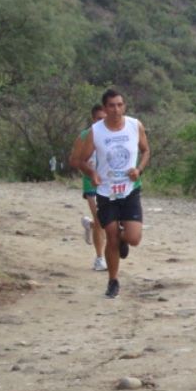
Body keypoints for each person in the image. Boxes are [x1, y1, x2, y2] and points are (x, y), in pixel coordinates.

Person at [76, 89, 150, 298]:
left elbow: (146, 150)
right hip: (106, 192)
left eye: (120, 105)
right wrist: (92, 173)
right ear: (105, 108)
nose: (116, 109)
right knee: (111, 236)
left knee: (134, 238)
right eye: (111, 105)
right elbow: (81, 160)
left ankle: (124, 240)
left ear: (124, 106)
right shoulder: (96, 131)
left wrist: (139, 169)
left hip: (129, 190)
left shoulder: (135, 125)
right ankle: (113, 281)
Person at [69, 104, 108, 272]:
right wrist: (89, 171)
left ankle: (89, 225)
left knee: (110, 221)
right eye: (99, 119)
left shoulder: (115, 135)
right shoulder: (85, 136)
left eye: (105, 118)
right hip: (91, 183)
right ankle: (100, 259)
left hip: (110, 183)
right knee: (101, 220)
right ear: (93, 120)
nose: (103, 122)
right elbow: (74, 160)